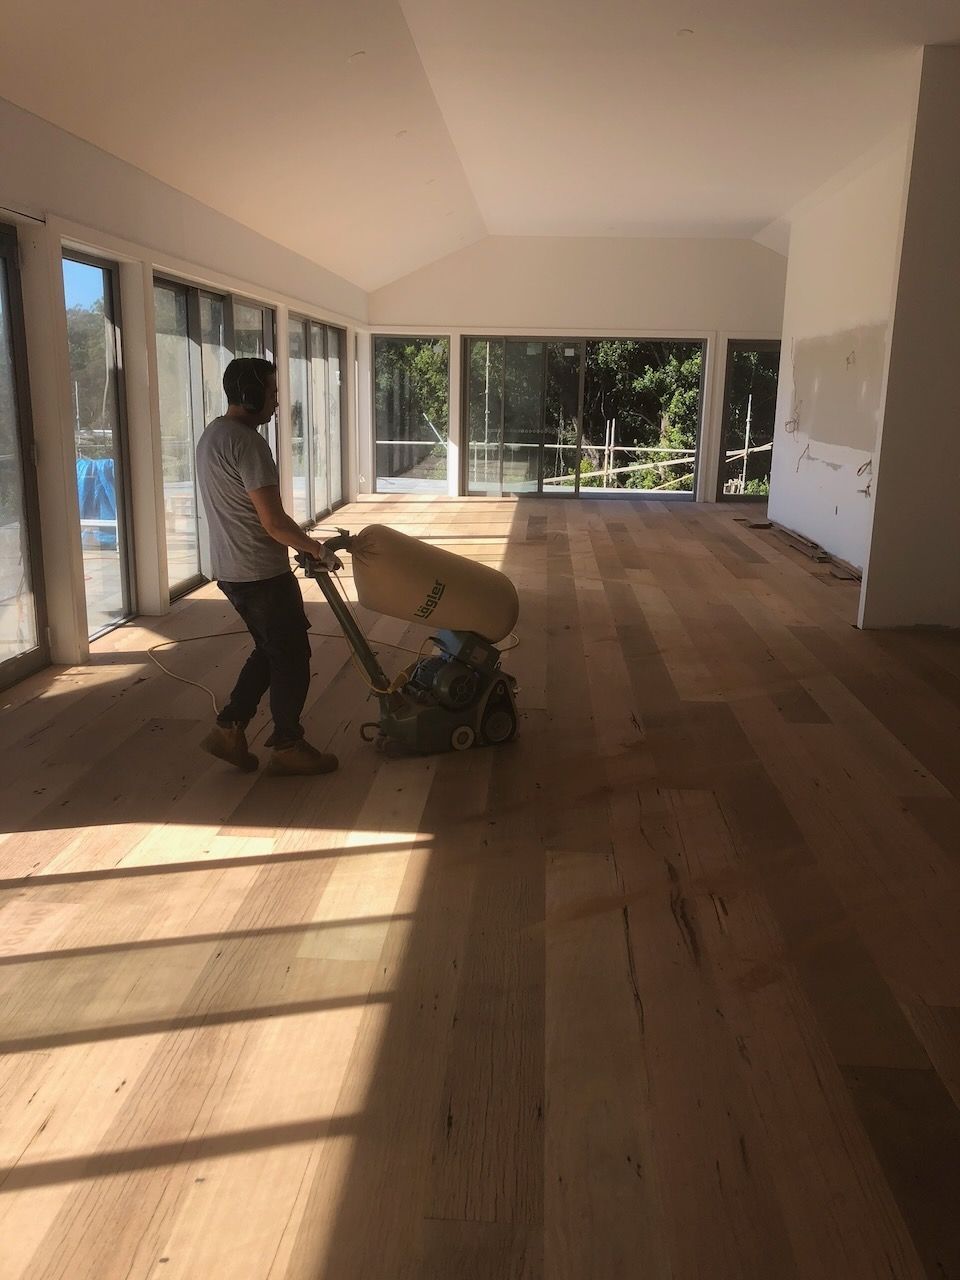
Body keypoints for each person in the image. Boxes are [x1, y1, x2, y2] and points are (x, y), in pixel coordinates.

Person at [195, 357, 338, 776]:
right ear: (251, 395)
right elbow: (273, 523)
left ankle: (228, 730)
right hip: (259, 573)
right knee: (292, 655)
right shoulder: (248, 443)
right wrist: (316, 549)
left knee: (272, 648)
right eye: (273, 393)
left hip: (232, 570)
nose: (277, 403)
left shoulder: (212, 435)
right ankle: (289, 745)